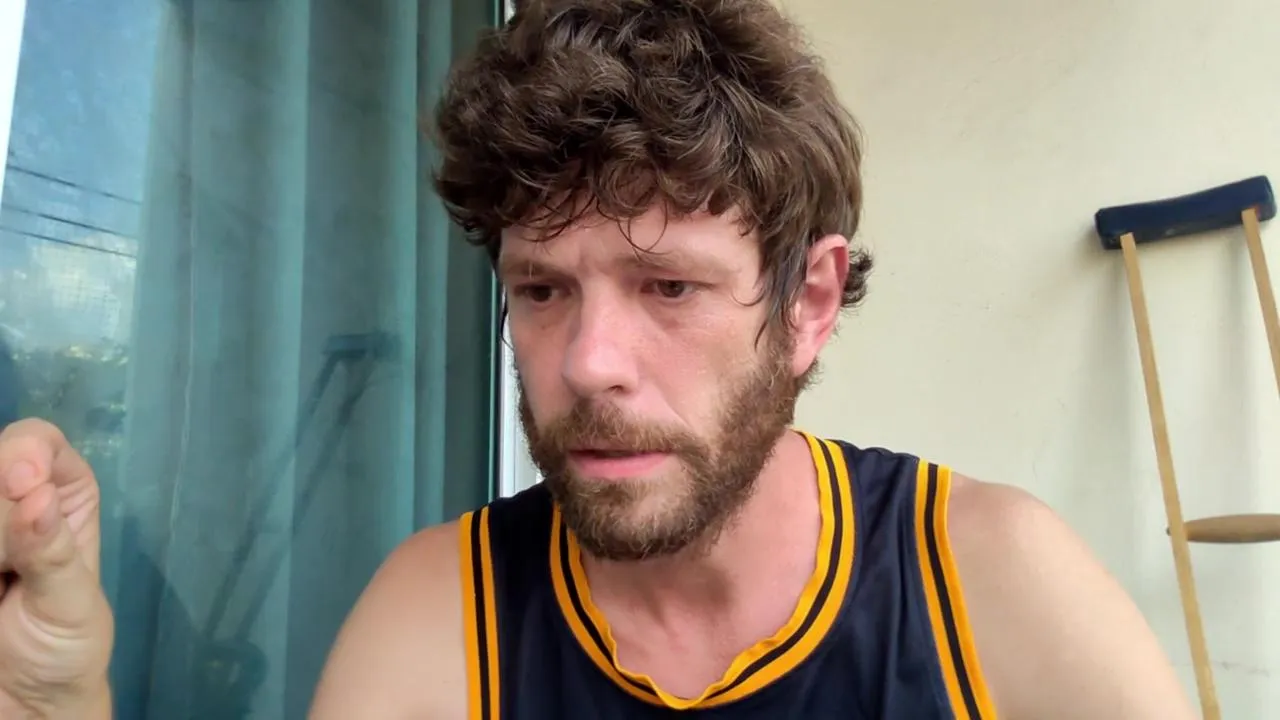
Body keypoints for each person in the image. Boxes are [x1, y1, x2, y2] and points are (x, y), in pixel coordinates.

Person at [0, 0, 1198, 718]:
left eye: (668, 286)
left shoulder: (983, 589)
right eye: (541, 289)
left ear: (808, 302)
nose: (587, 363)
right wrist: (58, 705)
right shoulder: (441, 617)